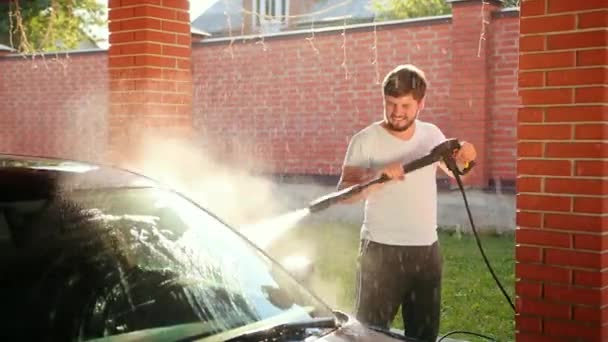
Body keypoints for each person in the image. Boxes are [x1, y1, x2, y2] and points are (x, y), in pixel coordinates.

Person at [337, 64, 477, 342]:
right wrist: (376, 177)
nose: (397, 112)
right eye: (390, 104)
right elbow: (344, 193)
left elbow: (460, 173)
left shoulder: (432, 135)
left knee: (424, 336)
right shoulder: (365, 140)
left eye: (405, 105)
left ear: (421, 103)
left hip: (426, 252)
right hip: (380, 252)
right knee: (369, 336)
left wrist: (468, 158)